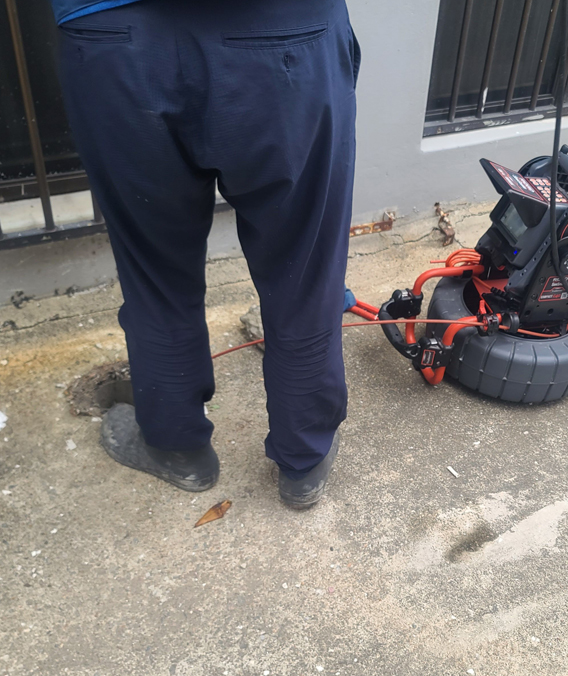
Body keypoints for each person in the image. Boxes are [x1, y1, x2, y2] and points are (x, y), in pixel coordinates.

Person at [51, 0, 360, 507]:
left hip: (115, 37)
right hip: (283, 31)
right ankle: (304, 458)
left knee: (154, 271)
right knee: (305, 270)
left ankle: (178, 449)